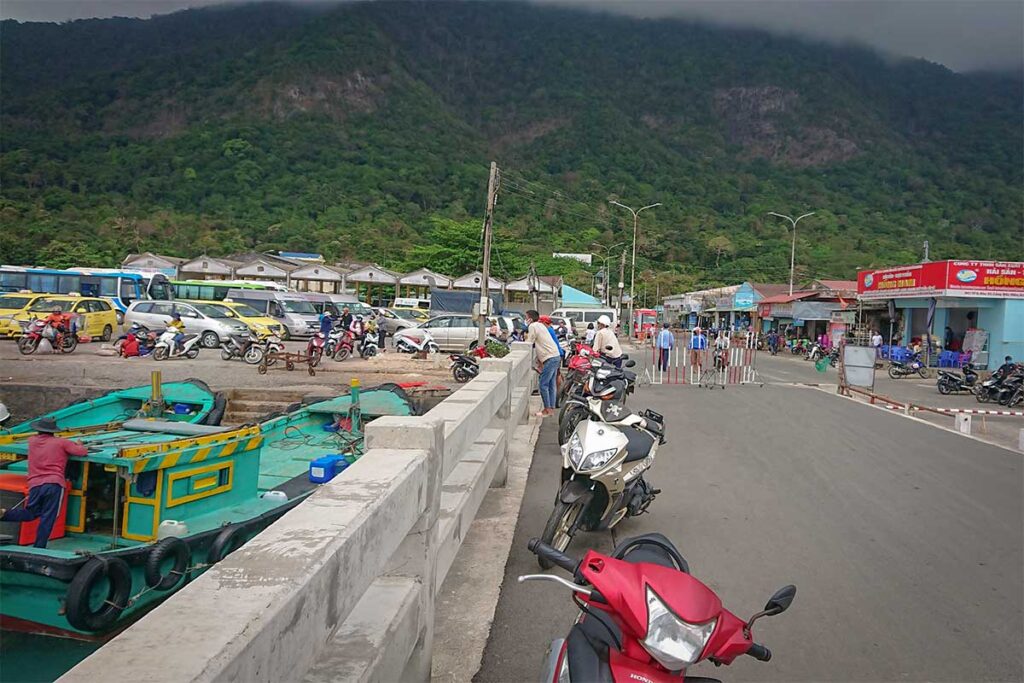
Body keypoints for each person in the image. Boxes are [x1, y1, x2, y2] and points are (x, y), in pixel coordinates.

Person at [0, 417, 87, 548]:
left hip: (35, 484)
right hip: (54, 484)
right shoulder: (62, 443)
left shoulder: (32, 441)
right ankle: (39, 546)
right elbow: (82, 452)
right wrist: (79, 444)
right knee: (49, 516)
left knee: (30, 513)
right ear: (53, 431)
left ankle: (4, 514)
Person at [526, 310, 561, 417]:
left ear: (530, 319)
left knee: (543, 384)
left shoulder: (533, 326)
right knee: (551, 384)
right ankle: (551, 409)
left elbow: (529, 342)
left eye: (526, 318)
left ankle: (547, 409)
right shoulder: (541, 325)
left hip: (550, 358)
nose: (526, 320)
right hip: (555, 355)